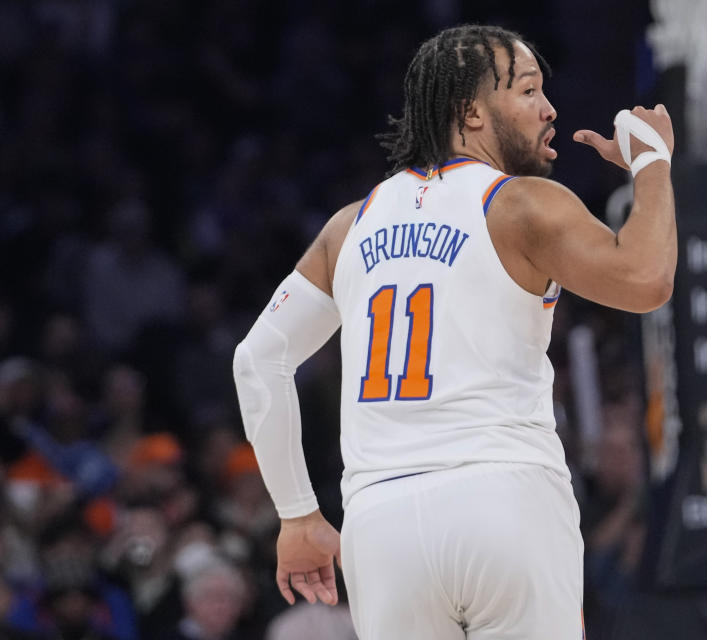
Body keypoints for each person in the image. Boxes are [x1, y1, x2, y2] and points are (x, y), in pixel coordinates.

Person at [233, 24, 676, 639]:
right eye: (527, 91)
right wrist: (652, 161)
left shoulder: (348, 226)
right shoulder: (521, 204)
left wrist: (297, 516)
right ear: (471, 112)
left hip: (382, 524)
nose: (549, 109)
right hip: (505, 496)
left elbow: (259, 360)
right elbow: (646, 280)